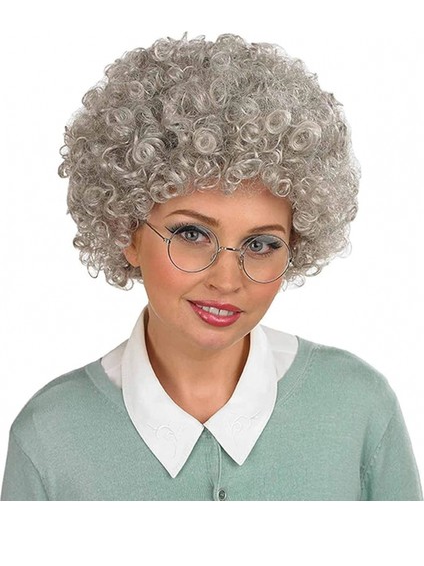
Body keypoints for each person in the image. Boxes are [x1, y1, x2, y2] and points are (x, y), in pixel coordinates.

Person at [1, 33, 422, 501]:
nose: (226, 280)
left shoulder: (358, 411)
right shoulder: (50, 438)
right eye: (192, 235)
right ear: (127, 232)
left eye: (261, 244)